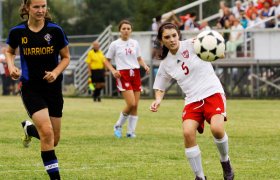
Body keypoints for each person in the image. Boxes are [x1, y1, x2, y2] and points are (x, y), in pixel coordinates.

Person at [149, 22, 234, 180]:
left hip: (212, 92)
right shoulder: (165, 63)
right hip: (192, 100)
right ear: (162, 41)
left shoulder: (193, 44)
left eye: (174, 35)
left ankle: (225, 161)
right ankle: (200, 177)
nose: (172, 39)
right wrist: (158, 100)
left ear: (178, 35)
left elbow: (220, 54)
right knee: (188, 133)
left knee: (216, 129)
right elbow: (160, 86)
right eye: (167, 37)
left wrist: (212, 46)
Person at [5, 0, 70, 179]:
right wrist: (12, 67)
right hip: (31, 88)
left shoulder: (55, 30)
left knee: (53, 140)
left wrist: (56, 73)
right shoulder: (17, 31)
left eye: (43, 6)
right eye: (36, 7)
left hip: (53, 89)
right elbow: (9, 51)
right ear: (27, 8)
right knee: (47, 133)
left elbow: (66, 57)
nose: (41, 10)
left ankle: (29, 129)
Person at [104, 19, 150, 138]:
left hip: (135, 74)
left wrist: (144, 66)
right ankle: (118, 126)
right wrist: (113, 70)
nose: (126, 31)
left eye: (128, 29)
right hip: (123, 75)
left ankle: (130, 132)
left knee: (135, 106)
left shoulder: (135, 43)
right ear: (119, 30)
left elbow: (139, 58)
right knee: (131, 103)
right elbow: (106, 60)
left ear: (131, 30)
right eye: (123, 28)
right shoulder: (115, 44)